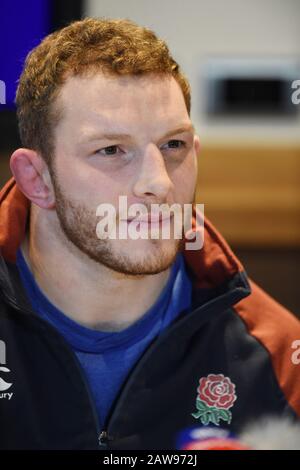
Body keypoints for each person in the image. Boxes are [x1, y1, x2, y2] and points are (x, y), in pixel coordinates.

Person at [0, 17, 299, 451]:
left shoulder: (276, 352)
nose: (158, 183)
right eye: (110, 150)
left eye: (173, 145)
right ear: (36, 178)